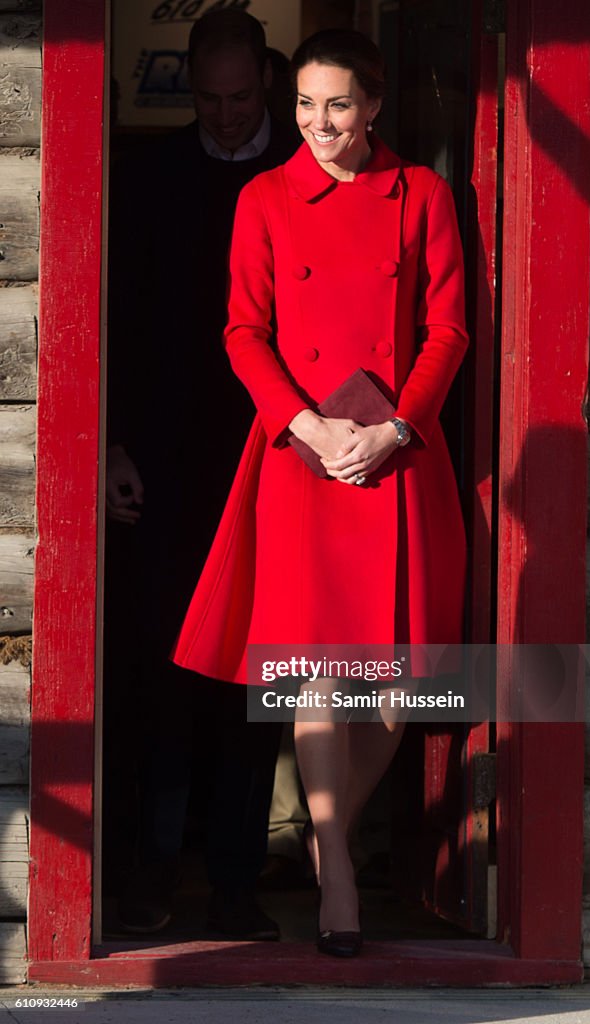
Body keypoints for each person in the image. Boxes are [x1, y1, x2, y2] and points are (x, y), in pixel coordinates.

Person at [172, 29, 468, 957]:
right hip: (300, 459)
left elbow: (448, 330)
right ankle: (337, 874)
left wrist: (394, 428)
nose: (319, 124)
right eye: (304, 104)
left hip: (394, 455)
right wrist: (302, 426)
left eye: (337, 105)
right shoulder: (263, 198)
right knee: (315, 675)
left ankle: (319, 830)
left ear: (374, 105)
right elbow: (242, 332)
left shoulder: (420, 194)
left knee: (397, 692)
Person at [104, 8, 299, 940]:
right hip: (163, 468)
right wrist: (106, 445)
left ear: (267, 81)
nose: (226, 116)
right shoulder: (146, 178)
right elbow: (112, 325)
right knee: (160, 673)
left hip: (272, 462)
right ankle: (151, 870)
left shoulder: (307, 176)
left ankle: (233, 879)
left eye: (242, 98)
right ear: (189, 83)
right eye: (210, 99)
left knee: (256, 680)